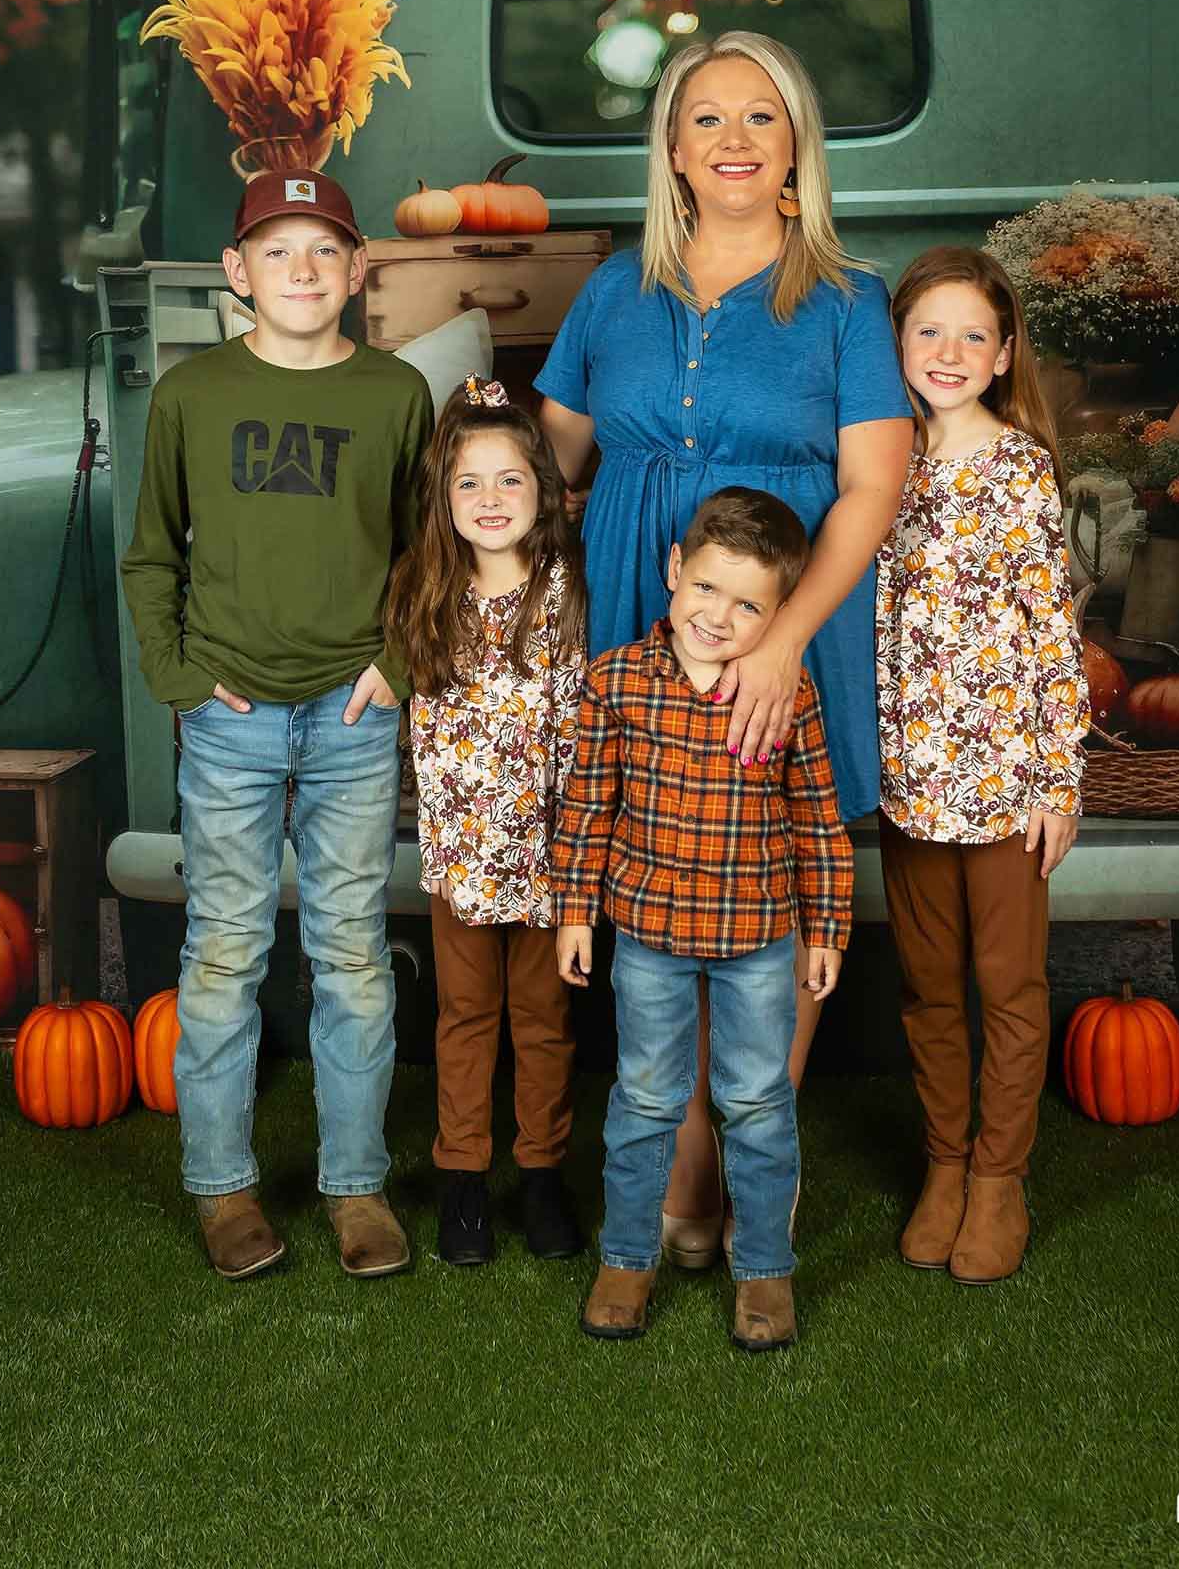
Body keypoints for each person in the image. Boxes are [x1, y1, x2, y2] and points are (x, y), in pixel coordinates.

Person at [537, 30, 913, 1261]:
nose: (735, 139)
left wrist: (785, 641)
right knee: (653, 872)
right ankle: (678, 1130)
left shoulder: (850, 299)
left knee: (765, 880)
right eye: (706, 118)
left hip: (781, 629)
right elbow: (552, 458)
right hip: (641, 624)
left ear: (797, 144)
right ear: (671, 149)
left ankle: (728, 1157)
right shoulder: (613, 290)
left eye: (762, 116)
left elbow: (869, 484)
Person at [121, 167, 433, 1281]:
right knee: (223, 951)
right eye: (278, 250)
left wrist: (396, 663)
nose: (301, 270)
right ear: (236, 272)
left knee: (351, 951)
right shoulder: (191, 393)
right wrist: (179, 675)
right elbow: (153, 547)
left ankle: (356, 1185)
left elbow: (423, 552)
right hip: (232, 715)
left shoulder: (395, 393)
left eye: (323, 251)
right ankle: (223, 1186)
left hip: (350, 712)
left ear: (357, 271)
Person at [553, 488, 852, 1353]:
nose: (719, 618)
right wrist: (575, 914)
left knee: (757, 1105)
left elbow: (816, 820)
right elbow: (586, 811)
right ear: (673, 570)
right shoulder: (613, 684)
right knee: (645, 1099)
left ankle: (762, 1270)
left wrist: (825, 928)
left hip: (758, 941)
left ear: (778, 614)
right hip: (645, 937)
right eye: (707, 589)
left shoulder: (786, 699)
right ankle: (626, 1259)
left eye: (749, 604)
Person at [875, 246, 1089, 1286]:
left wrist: (1059, 779)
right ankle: (945, 1164)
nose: (948, 351)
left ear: (1004, 353)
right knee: (926, 986)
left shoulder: (1015, 465)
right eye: (927, 331)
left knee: (1005, 983)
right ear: (896, 345)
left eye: (971, 334)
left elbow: (1048, 629)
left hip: (1002, 783)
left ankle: (999, 1177)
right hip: (904, 777)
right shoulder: (878, 460)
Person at [386, 374, 587, 1266]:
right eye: (469, 482)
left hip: (549, 859)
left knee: (542, 1022)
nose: (491, 499)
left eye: (510, 479)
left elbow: (582, 727)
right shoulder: (423, 596)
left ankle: (541, 1174)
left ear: (543, 489)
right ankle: (462, 1180)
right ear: (442, 498)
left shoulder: (568, 594)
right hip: (463, 859)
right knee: (465, 1017)